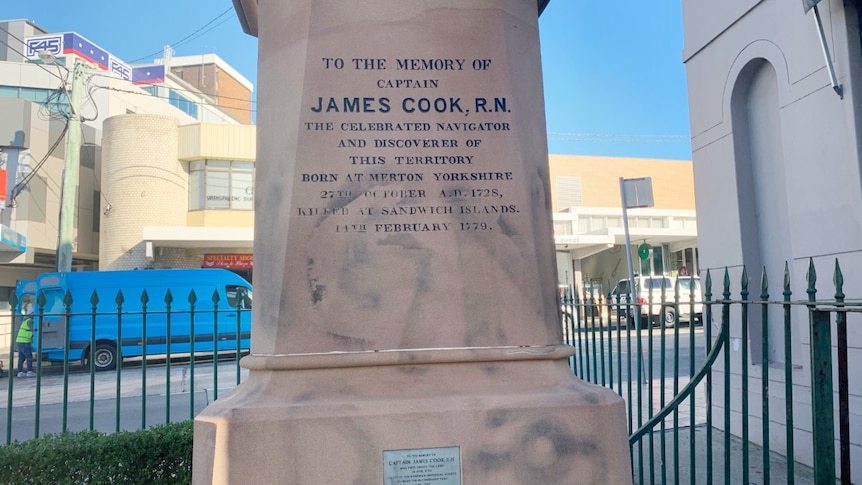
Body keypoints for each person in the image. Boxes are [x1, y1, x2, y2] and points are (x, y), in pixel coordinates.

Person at [16, 310, 35, 378]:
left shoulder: (25, 320)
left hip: (19, 341)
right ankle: (29, 371)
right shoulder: (30, 321)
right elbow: (34, 330)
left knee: (21, 358)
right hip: (25, 341)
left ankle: (20, 372)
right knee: (29, 357)